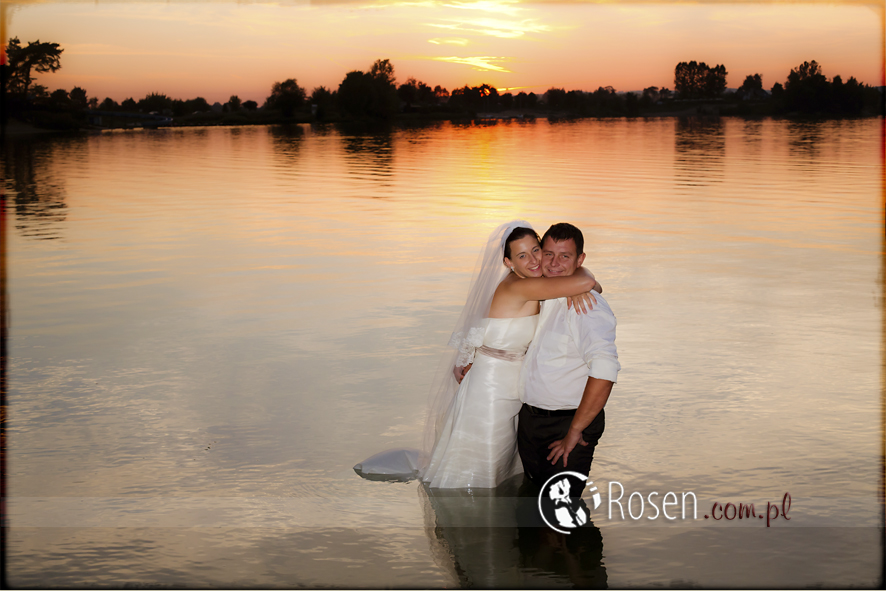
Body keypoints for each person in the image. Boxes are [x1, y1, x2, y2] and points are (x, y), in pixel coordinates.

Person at [421, 221, 601, 489]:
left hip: (513, 384)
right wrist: (578, 279)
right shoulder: (520, 286)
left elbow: (594, 287)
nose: (534, 260)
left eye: (536, 250)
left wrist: (577, 284)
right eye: (522, 256)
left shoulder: (534, 283)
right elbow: (589, 282)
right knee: (484, 461)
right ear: (508, 262)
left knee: (501, 461)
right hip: (491, 388)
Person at [517, 222, 620, 492]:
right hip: (530, 422)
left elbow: (605, 370)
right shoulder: (545, 292)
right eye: (548, 253)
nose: (554, 263)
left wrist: (575, 431)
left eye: (565, 256)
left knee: (555, 513)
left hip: (567, 423)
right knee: (533, 504)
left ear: (580, 260)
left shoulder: (587, 307)